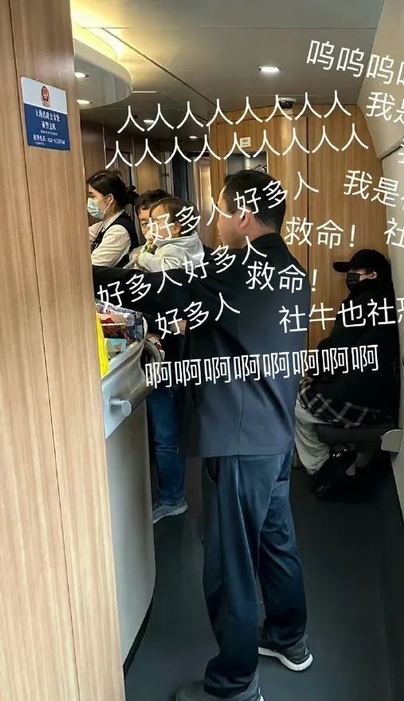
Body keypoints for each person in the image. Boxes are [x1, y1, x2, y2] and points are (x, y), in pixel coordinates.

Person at [92, 169, 312, 701]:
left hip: (238, 439)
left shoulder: (237, 271)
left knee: (230, 563)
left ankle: (234, 684)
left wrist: (78, 269)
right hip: (273, 430)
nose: (212, 221)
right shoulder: (290, 268)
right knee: (275, 541)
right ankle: (290, 639)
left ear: (243, 215)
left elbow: (152, 290)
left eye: (218, 210)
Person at [127, 196, 206, 524]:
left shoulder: (180, 254)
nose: (149, 230)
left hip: (174, 356)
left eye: (154, 222)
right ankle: (173, 494)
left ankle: (173, 497)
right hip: (167, 354)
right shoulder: (158, 252)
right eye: (145, 223)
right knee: (168, 432)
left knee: (167, 432)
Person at [294, 249, 400, 486]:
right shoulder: (384, 300)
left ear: (372, 274)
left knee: (295, 401)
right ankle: (353, 458)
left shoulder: (362, 303)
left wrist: (313, 372)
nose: (349, 276)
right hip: (379, 399)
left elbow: (335, 350)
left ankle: (321, 467)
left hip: (357, 398)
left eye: (355, 271)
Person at [88, 169, 140, 267]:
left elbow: (93, 265)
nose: (89, 201)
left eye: (92, 196)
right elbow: (82, 236)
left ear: (109, 199)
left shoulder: (118, 231)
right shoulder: (106, 223)